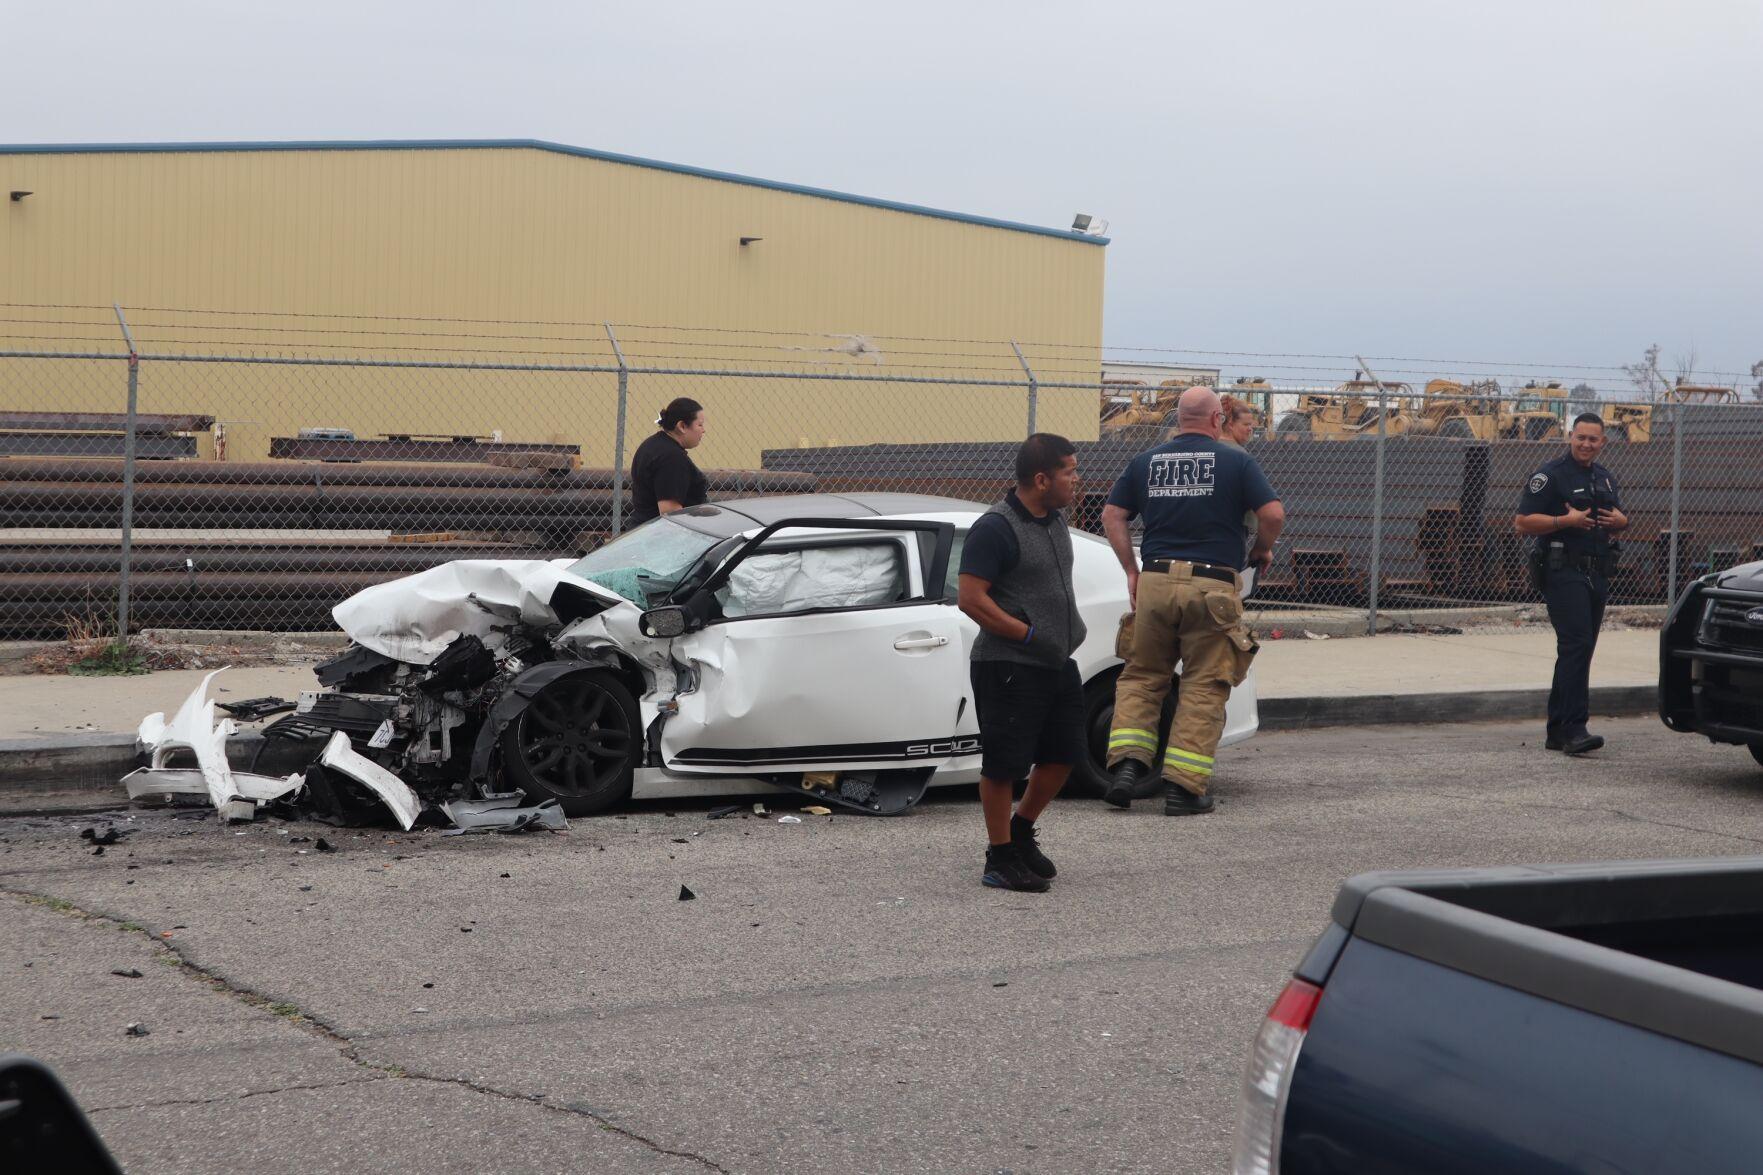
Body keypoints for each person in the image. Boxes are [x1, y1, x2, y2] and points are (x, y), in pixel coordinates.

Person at [1100, 387, 1285, 815]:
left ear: (1178, 418)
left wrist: (1131, 569)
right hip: (1211, 586)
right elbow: (1273, 514)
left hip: (1157, 579)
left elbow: (1113, 514)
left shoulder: (1146, 461)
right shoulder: (1237, 461)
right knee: (1204, 683)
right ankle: (1183, 790)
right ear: (1218, 418)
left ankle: (1127, 769)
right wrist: (1261, 549)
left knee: (1143, 675)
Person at [956, 433, 1087, 892]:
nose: (1076, 478)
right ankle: (1000, 857)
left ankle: (1021, 831)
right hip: (1007, 663)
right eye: (1069, 470)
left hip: (1055, 661)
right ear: (1040, 478)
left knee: (1063, 754)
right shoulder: (996, 527)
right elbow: (970, 600)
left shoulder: (1054, 521)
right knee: (1004, 764)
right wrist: (1028, 634)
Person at [1514, 412, 1629, 755]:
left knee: (1580, 649)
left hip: (1598, 573)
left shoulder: (1605, 479)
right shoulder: (1550, 476)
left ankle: (1557, 730)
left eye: (1593, 439)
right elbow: (1522, 522)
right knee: (1576, 644)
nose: (1586, 444)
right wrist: (1566, 520)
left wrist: (1624, 521)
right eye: (1581, 437)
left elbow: (1615, 518)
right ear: (1570, 436)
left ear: (1602, 443)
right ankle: (1575, 728)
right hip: (1563, 572)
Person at [628, 398, 708, 526]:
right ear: (682, 426)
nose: (703, 430)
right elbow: (670, 513)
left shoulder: (653, 444)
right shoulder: (671, 458)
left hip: (643, 531)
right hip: (659, 538)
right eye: (700, 424)